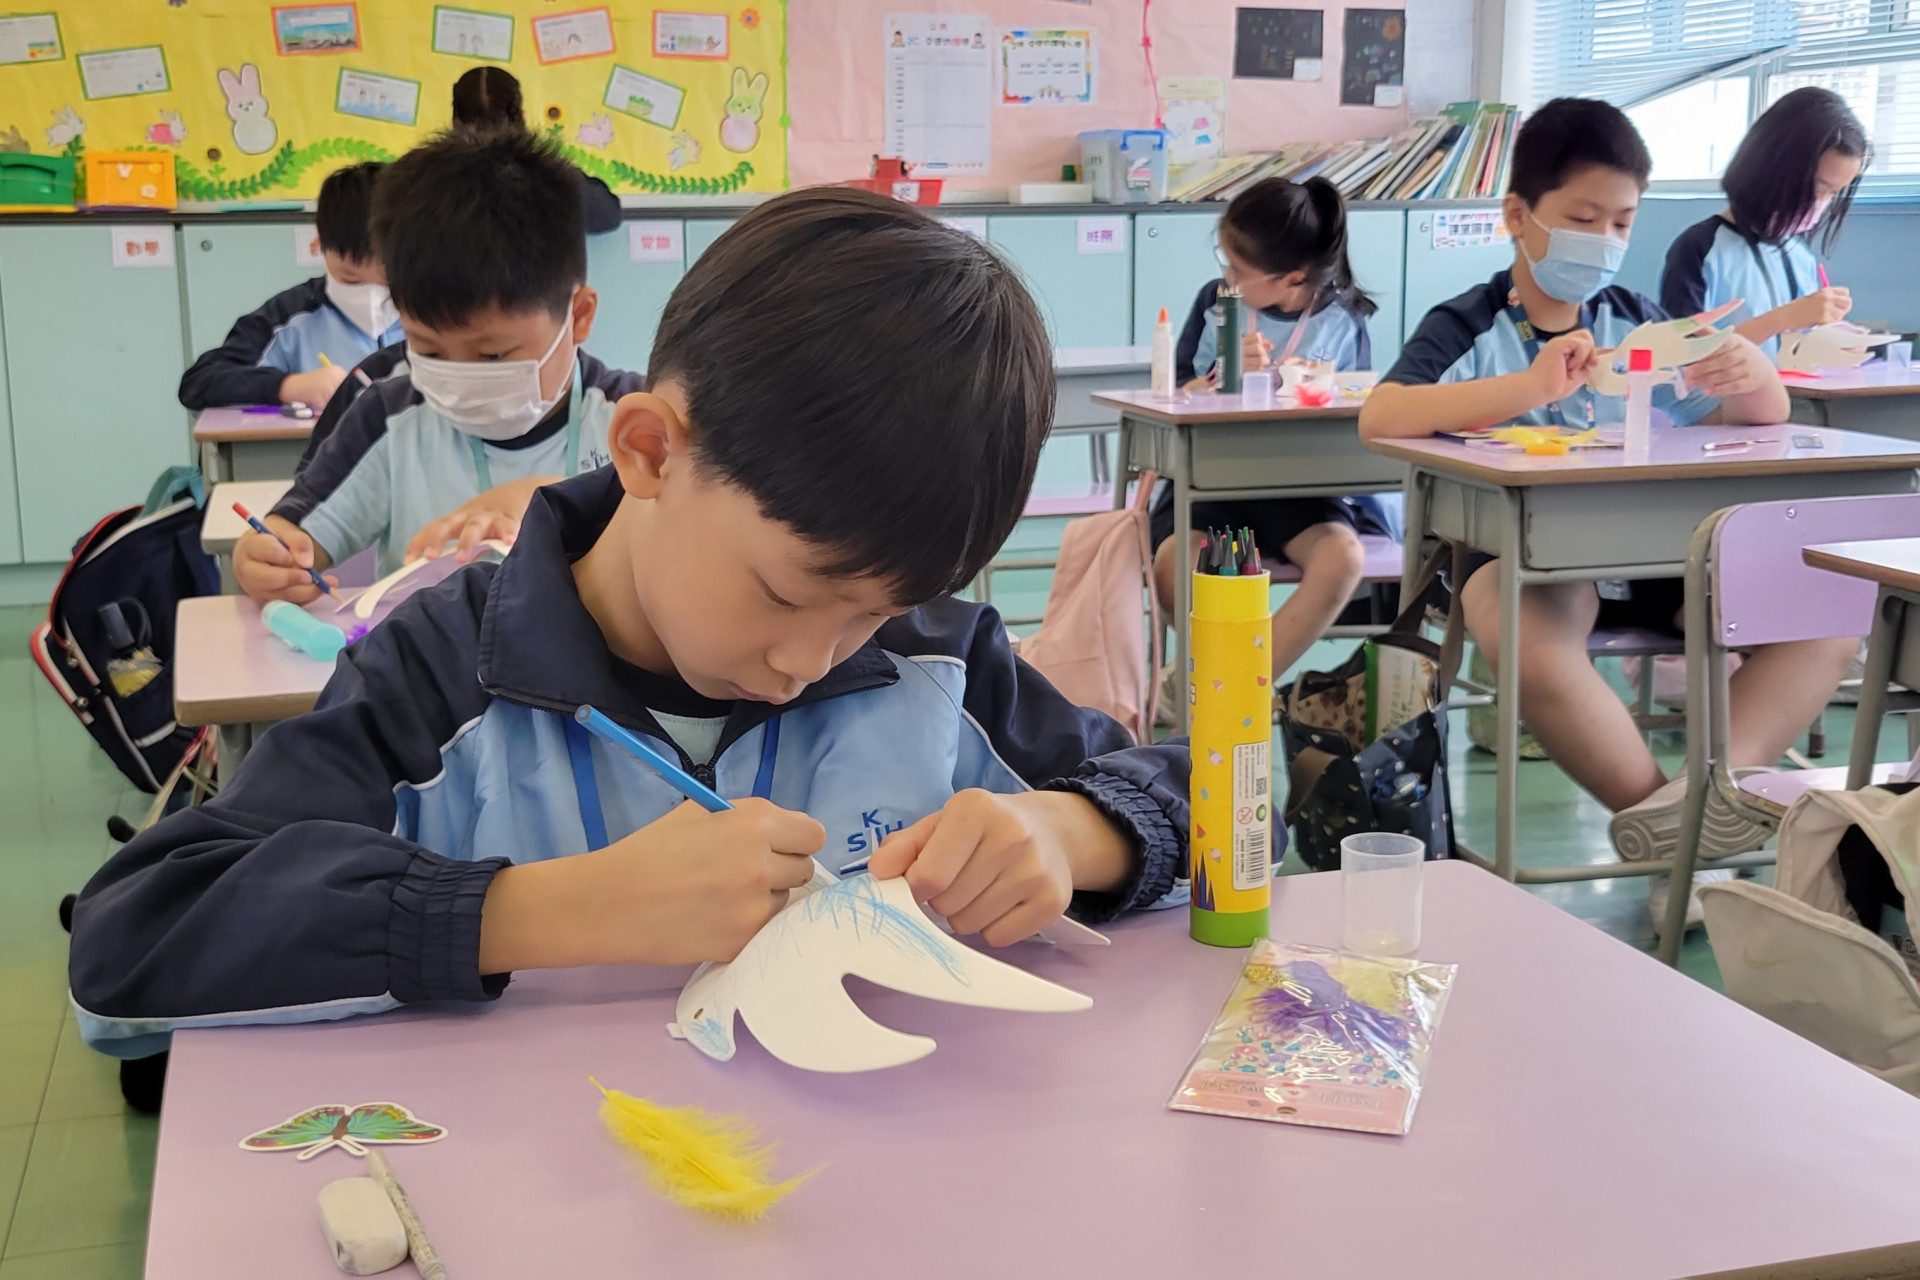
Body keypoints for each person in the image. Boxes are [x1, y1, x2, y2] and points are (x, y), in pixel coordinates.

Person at [67, 187, 1190, 1059]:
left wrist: (1069, 832)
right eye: (785, 594)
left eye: (873, 611)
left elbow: (1228, 799)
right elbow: (136, 934)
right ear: (649, 449)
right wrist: (547, 909)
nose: (808, 664)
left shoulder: (929, 657)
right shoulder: (448, 671)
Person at [1360, 97, 1853, 926]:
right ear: (1519, 216)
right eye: (1583, 219)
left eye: (1622, 222)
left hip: (1657, 554)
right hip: (1527, 561)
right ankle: (1680, 846)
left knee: (1830, 613)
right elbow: (1381, 416)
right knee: (1522, 630)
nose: (1605, 239)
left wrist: (1751, 373)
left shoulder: (1637, 320)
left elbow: (1752, 416)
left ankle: (1682, 821)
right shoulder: (1469, 323)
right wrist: (1528, 387)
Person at [233, 126, 638, 598]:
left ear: (579, 317)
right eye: (428, 350)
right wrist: (268, 558)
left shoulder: (632, 418)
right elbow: (296, 532)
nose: (460, 377)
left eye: (492, 355)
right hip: (429, 646)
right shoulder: (388, 418)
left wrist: (548, 499)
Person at [1150, 177, 1390, 682]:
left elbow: (1357, 407)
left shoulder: (1343, 320)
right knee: (1175, 564)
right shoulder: (1217, 302)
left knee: (1342, 559)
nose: (1227, 277)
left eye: (1239, 270)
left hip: (1301, 488)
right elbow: (1173, 392)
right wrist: (1220, 378)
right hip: (1210, 483)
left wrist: (1314, 387)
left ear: (1292, 279)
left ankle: (1239, 684)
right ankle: (1203, 680)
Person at [178, 162, 402, 410]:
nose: (371, 297)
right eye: (351, 279)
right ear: (319, 245)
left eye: (387, 282)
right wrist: (287, 386)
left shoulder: (429, 312)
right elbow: (199, 382)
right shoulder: (290, 315)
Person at [1661, 87, 1869, 355]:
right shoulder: (1700, 249)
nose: (1822, 203)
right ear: (1773, 167)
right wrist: (1781, 319)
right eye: (1819, 188)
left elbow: (1796, 351)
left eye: (1833, 193)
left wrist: (1833, 341)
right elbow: (1680, 355)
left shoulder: (1800, 258)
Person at [451, 65, 621, 234]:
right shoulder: (549, 174)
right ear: (521, 115)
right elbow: (608, 215)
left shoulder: (439, 176)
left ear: (456, 120)